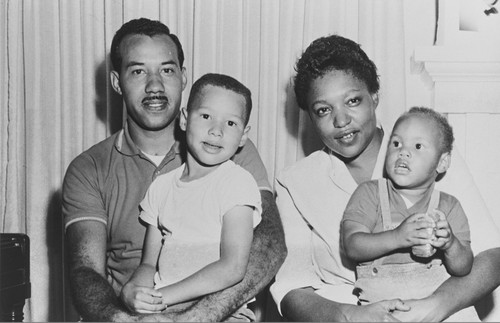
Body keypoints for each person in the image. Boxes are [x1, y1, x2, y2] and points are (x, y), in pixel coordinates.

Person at [63, 18, 286, 322]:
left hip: (216, 313)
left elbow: (270, 245)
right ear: (117, 82)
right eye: (138, 71)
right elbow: (85, 270)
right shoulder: (89, 168)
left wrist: (196, 318)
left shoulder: (232, 153)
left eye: (166, 70)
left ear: (182, 77)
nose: (154, 86)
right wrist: (126, 318)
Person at [270, 34, 500, 322]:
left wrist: (433, 307)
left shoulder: (427, 152)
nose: (341, 121)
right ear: (310, 117)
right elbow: (292, 289)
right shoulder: (295, 182)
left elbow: (492, 256)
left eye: (352, 101)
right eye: (323, 110)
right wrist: (349, 316)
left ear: (374, 97)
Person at [121, 73, 262, 316]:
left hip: (221, 311)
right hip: (165, 307)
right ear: (185, 119)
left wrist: (161, 297)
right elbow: (148, 263)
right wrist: (134, 290)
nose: (216, 131)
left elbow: (233, 267)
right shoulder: (161, 187)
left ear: (244, 136)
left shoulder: (236, 182)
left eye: (230, 123)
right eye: (206, 116)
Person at [342, 107, 477, 320]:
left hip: (435, 312)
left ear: (442, 162)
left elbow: (464, 267)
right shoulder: (370, 193)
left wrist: (451, 245)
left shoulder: (449, 206)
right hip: (381, 313)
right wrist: (398, 237)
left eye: (417, 146)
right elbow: (352, 246)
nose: (403, 152)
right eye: (396, 144)